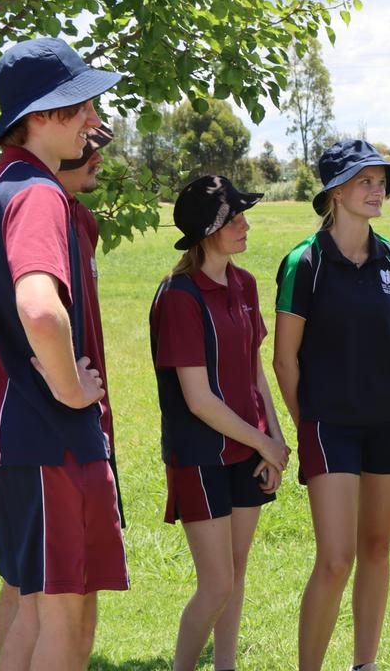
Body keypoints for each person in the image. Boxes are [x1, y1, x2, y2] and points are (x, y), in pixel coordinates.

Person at [0, 36, 126, 669]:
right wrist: (71, 389)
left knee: (37, 612)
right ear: (38, 118)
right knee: (69, 614)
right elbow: (38, 306)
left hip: (20, 443)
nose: (93, 120)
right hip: (54, 440)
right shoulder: (38, 194)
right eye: (78, 106)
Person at [273, 140, 390, 671]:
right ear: (335, 192)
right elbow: (284, 361)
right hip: (328, 426)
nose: (377, 189)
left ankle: (365, 664)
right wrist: (307, 426)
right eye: (365, 181)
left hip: (389, 422)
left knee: (376, 549)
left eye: (381, 181)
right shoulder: (304, 263)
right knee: (336, 560)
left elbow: (389, 342)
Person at [150, 175, 290, 671]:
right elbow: (199, 400)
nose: (245, 226)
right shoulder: (179, 297)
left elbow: (254, 369)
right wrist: (264, 443)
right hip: (200, 455)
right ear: (207, 231)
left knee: (237, 569)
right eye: (234, 220)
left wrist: (273, 438)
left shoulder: (245, 284)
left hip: (247, 450)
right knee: (216, 584)